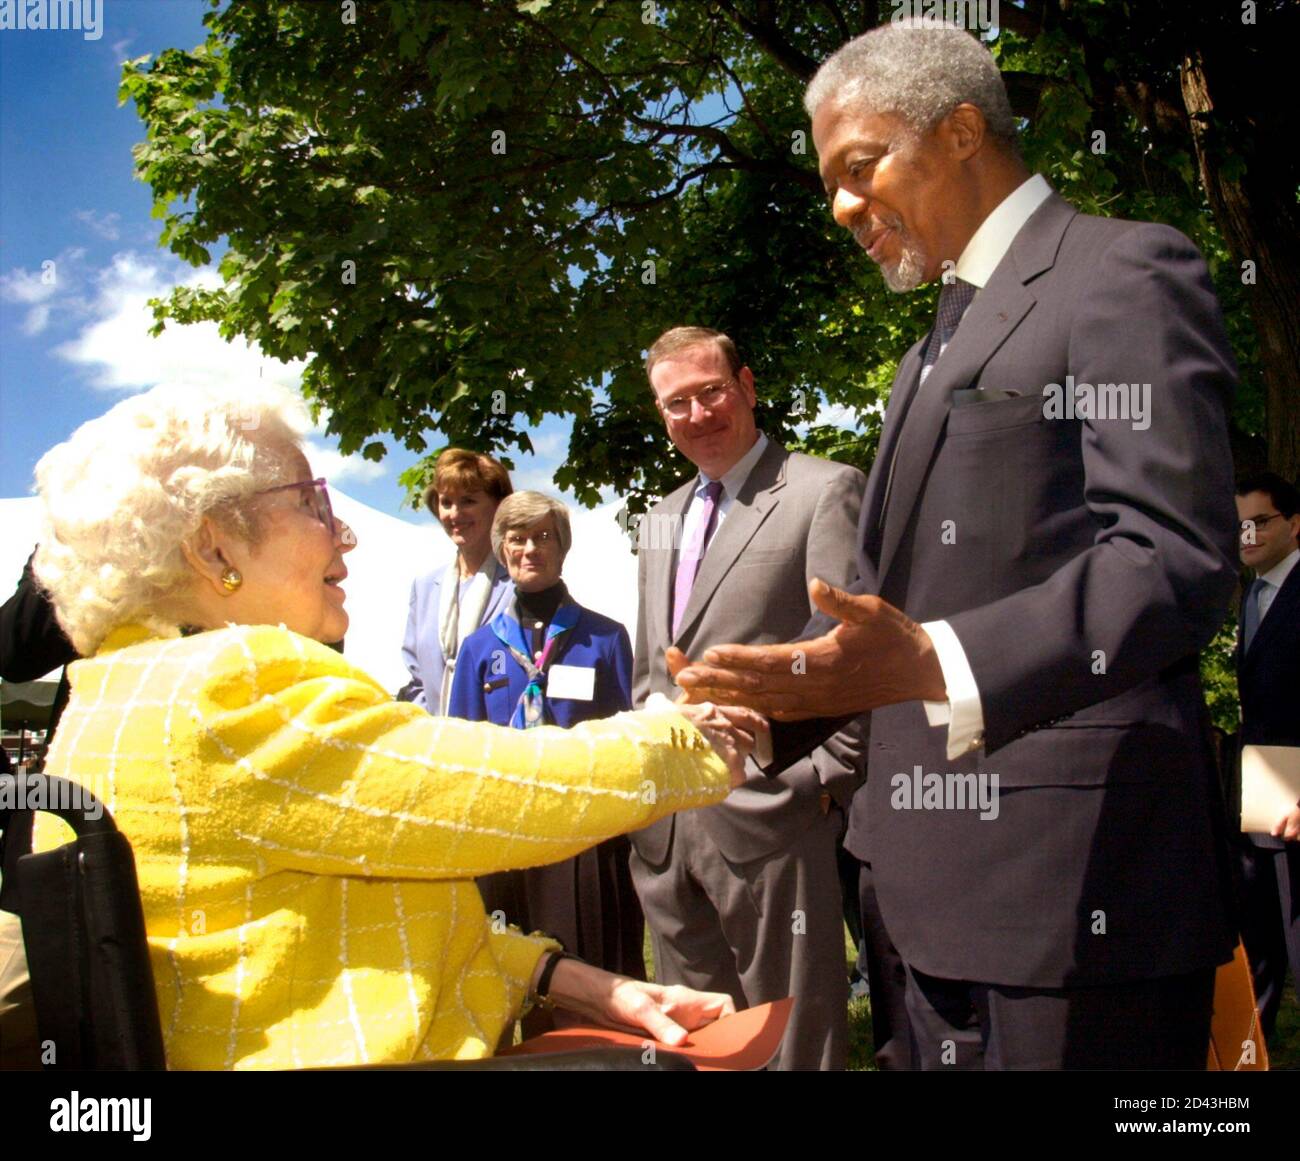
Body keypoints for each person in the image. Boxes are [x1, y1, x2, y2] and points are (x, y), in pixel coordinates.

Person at [676, 21, 1241, 1069]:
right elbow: (890, 606)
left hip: (1070, 898)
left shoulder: (1122, 271)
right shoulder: (922, 355)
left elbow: (1171, 557)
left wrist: (937, 660)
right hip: (906, 893)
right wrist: (779, 691)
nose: (841, 207)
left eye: (860, 165)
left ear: (963, 129)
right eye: (829, 183)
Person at [27, 382, 766, 1070]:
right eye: (312, 501)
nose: (343, 531)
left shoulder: (104, 699)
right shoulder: (233, 686)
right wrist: (689, 739)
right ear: (214, 544)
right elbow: (496, 791)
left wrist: (574, 980)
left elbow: (306, 930)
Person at [629, 325, 868, 1071]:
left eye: (711, 392)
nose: (697, 414)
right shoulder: (660, 518)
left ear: (748, 386)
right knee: (696, 1049)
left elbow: (855, 651)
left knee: (795, 1045)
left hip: (774, 818)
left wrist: (818, 781)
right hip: (668, 829)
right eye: (676, 403)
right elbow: (650, 668)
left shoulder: (825, 489)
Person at [450, 491, 645, 984]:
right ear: (502, 550)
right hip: (504, 836)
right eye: (517, 538)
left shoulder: (605, 638)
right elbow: (462, 747)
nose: (530, 549)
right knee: (508, 980)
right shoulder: (479, 648)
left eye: (543, 537)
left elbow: (632, 738)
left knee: (593, 971)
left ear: (562, 549)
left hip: (585, 834)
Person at [1233, 471, 1300, 1042]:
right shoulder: (1250, 596)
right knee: (1262, 941)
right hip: (1261, 793)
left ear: (1295, 523)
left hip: (1298, 798)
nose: (1247, 533)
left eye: (1260, 520)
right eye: (1239, 525)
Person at [401, 449, 513, 713]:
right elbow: (417, 679)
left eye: (468, 501)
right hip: (435, 741)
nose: (455, 514)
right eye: (446, 502)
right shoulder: (425, 587)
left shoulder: (518, 585)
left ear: (498, 506)